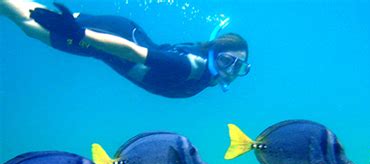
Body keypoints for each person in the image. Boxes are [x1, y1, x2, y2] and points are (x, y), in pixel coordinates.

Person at [0, 1, 250, 98]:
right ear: (214, 55)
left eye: (239, 67)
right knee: (32, 27)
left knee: (39, 21)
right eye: (228, 60)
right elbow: (133, 53)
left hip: (116, 37)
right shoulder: (188, 66)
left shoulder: (204, 74)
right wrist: (79, 33)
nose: (231, 70)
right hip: (113, 38)